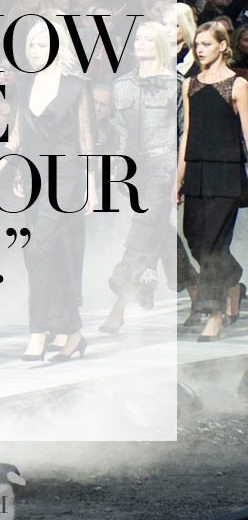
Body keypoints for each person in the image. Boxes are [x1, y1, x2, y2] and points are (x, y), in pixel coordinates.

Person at [7, 18, 96, 361]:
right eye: (32, 44)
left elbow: (86, 137)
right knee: (50, 252)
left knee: (38, 247)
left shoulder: (76, 85)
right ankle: (73, 331)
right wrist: (13, 171)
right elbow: (18, 134)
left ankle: (38, 331)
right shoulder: (25, 83)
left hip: (66, 175)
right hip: (34, 177)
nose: (35, 50)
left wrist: (91, 185)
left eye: (42, 44)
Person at [100, 22, 177, 332]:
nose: (140, 43)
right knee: (157, 229)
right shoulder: (121, 86)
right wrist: (118, 169)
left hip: (164, 168)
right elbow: (119, 132)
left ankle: (118, 305)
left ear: (160, 44)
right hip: (134, 171)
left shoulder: (174, 84)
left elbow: (181, 132)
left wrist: (179, 172)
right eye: (138, 38)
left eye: (148, 39)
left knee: (144, 228)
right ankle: (195, 285)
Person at [178, 22, 247, 341]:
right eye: (197, 44)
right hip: (196, 171)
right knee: (194, 237)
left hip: (226, 173)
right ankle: (232, 278)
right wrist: (178, 178)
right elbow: (187, 134)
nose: (200, 50)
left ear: (223, 45)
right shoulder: (190, 84)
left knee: (214, 244)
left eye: (206, 44)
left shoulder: (238, 85)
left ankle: (215, 314)